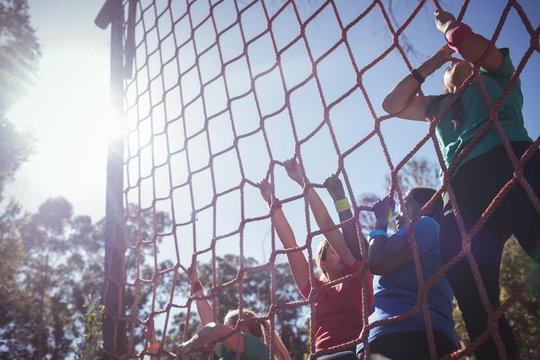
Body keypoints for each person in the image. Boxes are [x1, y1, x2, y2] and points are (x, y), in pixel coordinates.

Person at [381, 8, 540, 359]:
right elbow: (391, 104)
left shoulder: (500, 79)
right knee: (473, 295)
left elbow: (466, 42)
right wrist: (433, 63)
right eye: (450, 69)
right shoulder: (441, 107)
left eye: (455, 63)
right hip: (461, 193)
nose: (455, 65)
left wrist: (446, 26)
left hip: (515, 164)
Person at [259, 159, 373, 360]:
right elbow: (291, 246)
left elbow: (327, 224)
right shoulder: (315, 291)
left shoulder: (358, 273)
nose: (340, 253)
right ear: (322, 263)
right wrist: (272, 204)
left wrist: (304, 181)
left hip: (358, 351)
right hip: (323, 356)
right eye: (332, 252)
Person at [143, 266, 290, 360]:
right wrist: (153, 343)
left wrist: (188, 345)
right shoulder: (228, 354)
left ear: (243, 329)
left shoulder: (259, 350)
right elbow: (210, 323)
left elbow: (215, 329)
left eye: (228, 328)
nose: (223, 338)